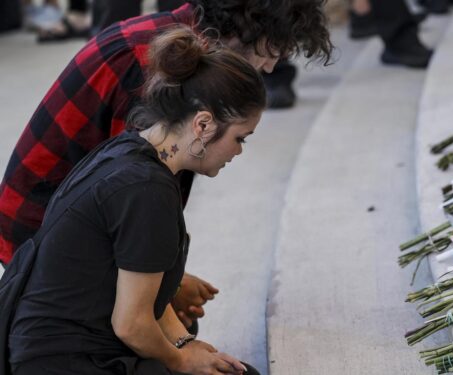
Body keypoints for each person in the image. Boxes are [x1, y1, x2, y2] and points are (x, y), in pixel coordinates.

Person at [0, 0, 332, 331]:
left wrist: (166, 283)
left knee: (176, 325)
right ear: (252, 25)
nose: (271, 68)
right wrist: (167, 289)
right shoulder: (153, 62)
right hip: (39, 238)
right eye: (272, 51)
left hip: (75, 222)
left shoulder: (184, 46)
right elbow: (125, 201)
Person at [8, 25, 265, 375]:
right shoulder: (146, 189)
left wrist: (185, 345)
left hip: (48, 345)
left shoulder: (130, 150)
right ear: (204, 125)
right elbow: (131, 324)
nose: (238, 152)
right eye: (240, 138)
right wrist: (180, 359)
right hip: (63, 361)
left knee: (200, 345)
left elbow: (149, 299)